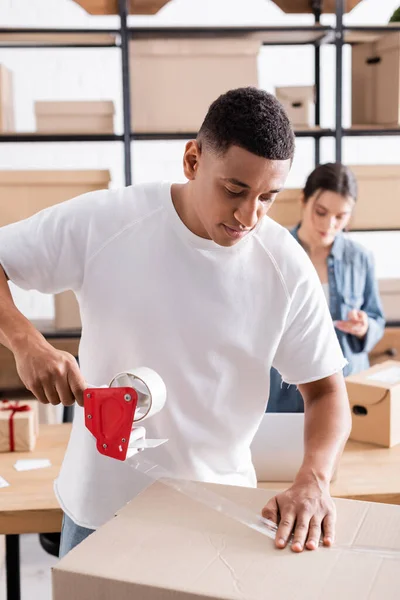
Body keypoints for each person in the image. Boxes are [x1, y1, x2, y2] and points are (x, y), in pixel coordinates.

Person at [0, 87, 351, 558]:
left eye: (268, 197)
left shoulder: (284, 267)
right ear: (192, 160)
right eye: (235, 190)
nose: (250, 215)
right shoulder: (107, 220)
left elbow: (327, 391)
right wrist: (27, 343)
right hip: (100, 518)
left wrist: (314, 478)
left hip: (218, 519)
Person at [267, 163, 385, 413]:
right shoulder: (275, 250)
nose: (329, 224)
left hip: (347, 387)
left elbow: (376, 318)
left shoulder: (360, 258)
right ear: (304, 200)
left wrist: (364, 327)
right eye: (320, 212)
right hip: (285, 391)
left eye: (341, 217)